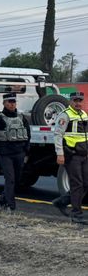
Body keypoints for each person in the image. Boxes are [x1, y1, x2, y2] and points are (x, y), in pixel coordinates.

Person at [0, 92, 30, 212]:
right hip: (5, 154)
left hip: (19, 153)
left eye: (13, 102)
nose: (12, 104)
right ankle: (11, 206)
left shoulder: (21, 117)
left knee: (17, 179)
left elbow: (28, 135)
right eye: (9, 102)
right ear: (4, 103)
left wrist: (26, 151)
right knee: (10, 179)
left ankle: (3, 198)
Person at [53, 91, 88, 224]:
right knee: (77, 184)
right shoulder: (65, 115)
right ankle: (76, 214)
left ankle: (62, 202)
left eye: (80, 100)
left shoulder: (84, 114)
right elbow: (57, 134)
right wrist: (60, 154)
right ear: (71, 101)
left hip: (83, 154)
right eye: (75, 100)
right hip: (71, 155)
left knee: (85, 184)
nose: (78, 103)